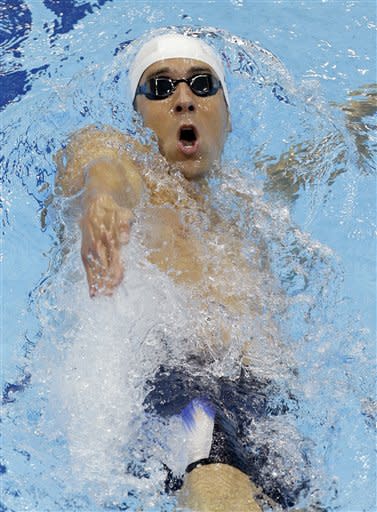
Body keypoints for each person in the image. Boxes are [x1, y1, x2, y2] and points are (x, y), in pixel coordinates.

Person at [54, 31, 307, 511]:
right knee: (219, 497)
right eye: (160, 87)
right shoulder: (129, 165)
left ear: (226, 117)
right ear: (139, 116)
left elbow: (314, 157)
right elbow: (97, 163)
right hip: (182, 386)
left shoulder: (252, 205)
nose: (183, 100)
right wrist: (102, 197)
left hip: (264, 404)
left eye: (201, 84)